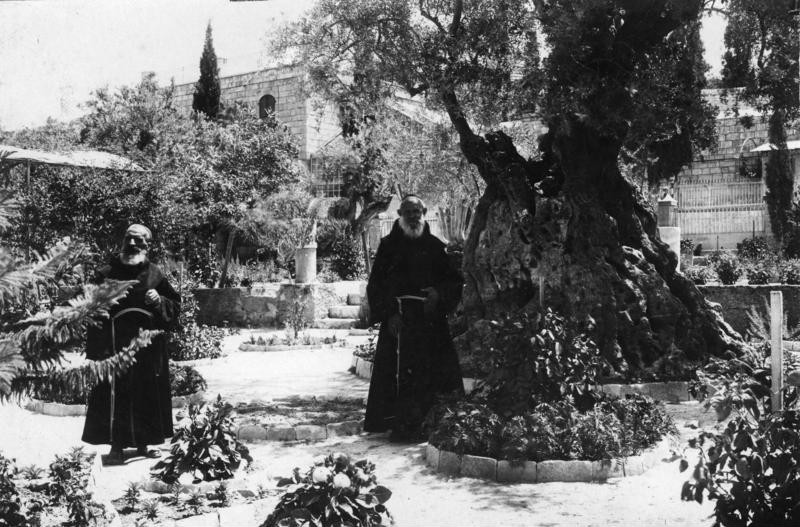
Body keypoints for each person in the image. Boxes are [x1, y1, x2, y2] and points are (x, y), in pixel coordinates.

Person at [364, 195, 464, 441]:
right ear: (399, 213)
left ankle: (432, 424)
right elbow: (376, 284)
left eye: (416, 211)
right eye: (407, 211)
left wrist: (438, 293)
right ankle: (400, 425)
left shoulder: (435, 246)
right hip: (399, 320)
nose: (412, 216)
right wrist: (389, 314)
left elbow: (453, 280)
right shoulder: (388, 246)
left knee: (433, 370)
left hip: (430, 321)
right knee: (398, 372)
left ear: (424, 212)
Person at [81, 224, 181, 465]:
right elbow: (89, 305)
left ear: (147, 246)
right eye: (129, 239)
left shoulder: (155, 274)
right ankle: (116, 446)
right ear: (122, 241)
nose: (133, 245)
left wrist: (160, 301)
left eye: (138, 241)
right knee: (117, 396)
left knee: (146, 393)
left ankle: (144, 444)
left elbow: (175, 306)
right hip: (114, 346)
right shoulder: (106, 273)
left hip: (148, 349)